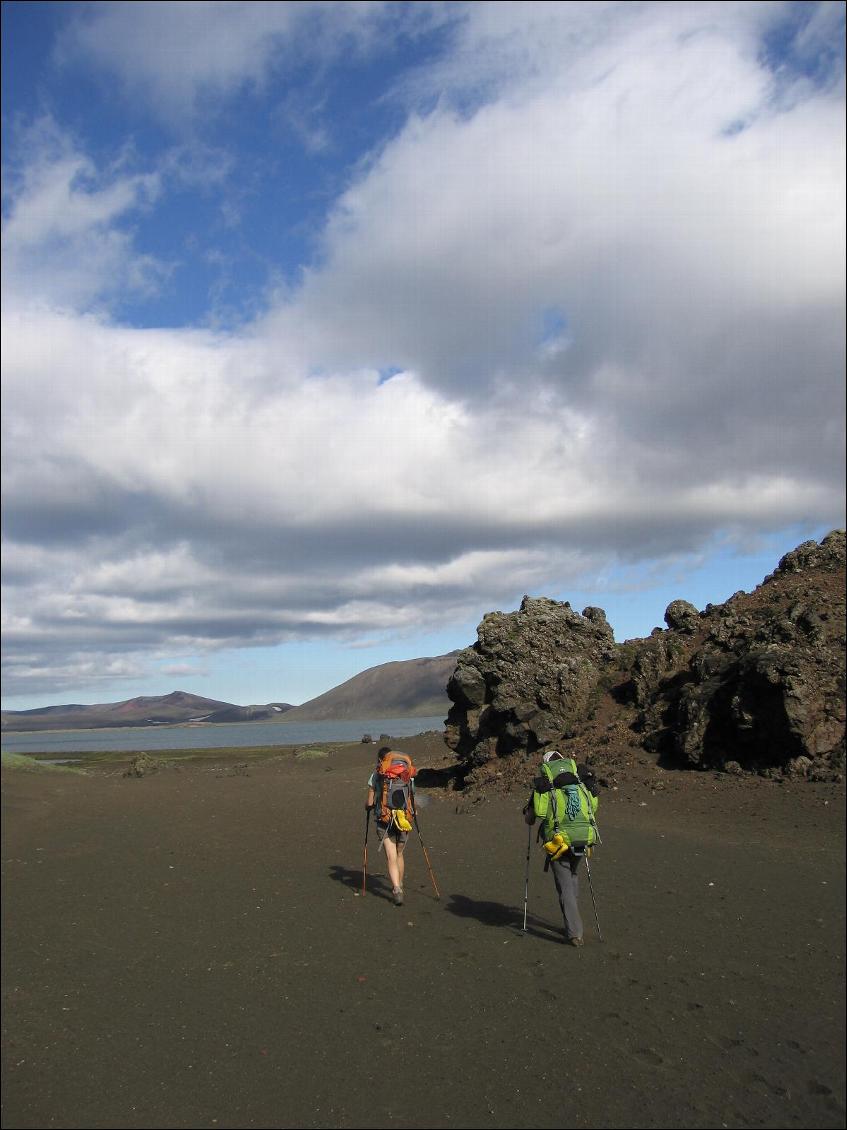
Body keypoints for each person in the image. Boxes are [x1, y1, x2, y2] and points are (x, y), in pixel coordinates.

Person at [524, 750, 599, 946]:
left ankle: (575, 932)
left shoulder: (545, 787)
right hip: (583, 836)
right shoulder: (580, 782)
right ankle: (572, 921)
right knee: (572, 876)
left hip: (559, 841)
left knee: (564, 883)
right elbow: (593, 807)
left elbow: (535, 816)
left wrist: (529, 809)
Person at [366, 747, 415, 906]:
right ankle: (399, 884)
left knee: (391, 856)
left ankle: (396, 889)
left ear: (381, 760)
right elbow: (411, 796)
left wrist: (368, 807)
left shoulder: (376, 775)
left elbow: (370, 803)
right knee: (399, 854)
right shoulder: (406, 773)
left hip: (384, 819)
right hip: (403, 819)